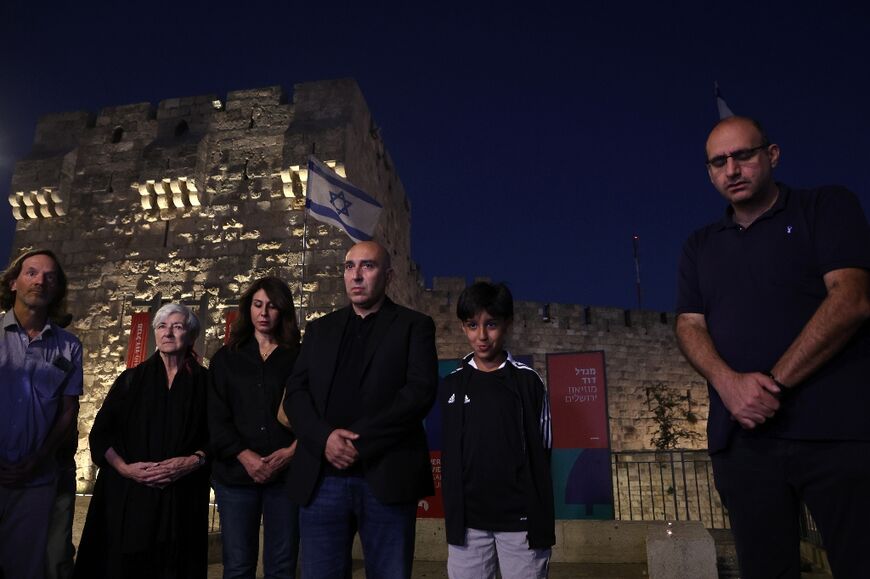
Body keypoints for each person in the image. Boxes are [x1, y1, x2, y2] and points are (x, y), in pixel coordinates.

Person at [675, 115, 870, 578]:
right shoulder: (700, 246)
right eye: (719, 162)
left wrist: (770, 387)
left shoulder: (824, 208)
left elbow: (852, 299)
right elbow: (687, 324)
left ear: (772, 155)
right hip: (744, 444)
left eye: (743, 155)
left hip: (834, 433)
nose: (732, 170)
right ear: (709, 173)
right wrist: (729, 384)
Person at [283, 240, 438, 579]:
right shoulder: (320, 329)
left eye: (367, 266)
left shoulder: (415, 326)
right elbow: (295, 392)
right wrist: (324, 438)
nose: (356, 275)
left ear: (389, 276)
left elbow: (419, 393)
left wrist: (359, 442)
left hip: (387, 476)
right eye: (349, 266)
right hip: (321, 479)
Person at [73, 303, 211, 579]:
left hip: (181, 497)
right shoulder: (130, 380)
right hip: (130, 495)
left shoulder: (207, 383)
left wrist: (192, 462)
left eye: (178, 326)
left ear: (191, 336)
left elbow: (216, 435)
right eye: (162, 326)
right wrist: (125, 468)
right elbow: (102, 433)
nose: (168, 333)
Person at [440, 282, 554, 579]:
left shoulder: (529, 383)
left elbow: (543, 450)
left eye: (491, 324)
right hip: (468, 526)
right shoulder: (452, 384)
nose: (481, 335)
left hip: (522, 525)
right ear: (463, 327)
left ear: (508, 324)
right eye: (472, 325)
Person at [209, 276, 302, 579]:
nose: (264, 313)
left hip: (286, 477)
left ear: (283, 312)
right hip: (236, 477)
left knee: (282, 565)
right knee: (237, 566)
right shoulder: (226, 358)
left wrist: (291, 452)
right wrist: (244, 455)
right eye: (258, 305)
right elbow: (215, 416)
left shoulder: (299, 357)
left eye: (272, 306)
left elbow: (314, 411)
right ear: (247, 308)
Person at [0, 249, 83, 579]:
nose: (40, 281)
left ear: (58, 289)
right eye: (32, 272)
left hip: (35, 479)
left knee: (24, 568)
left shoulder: (69, 347)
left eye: (50, 276)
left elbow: (68, 410)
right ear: (13, 282)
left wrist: (37, 461)